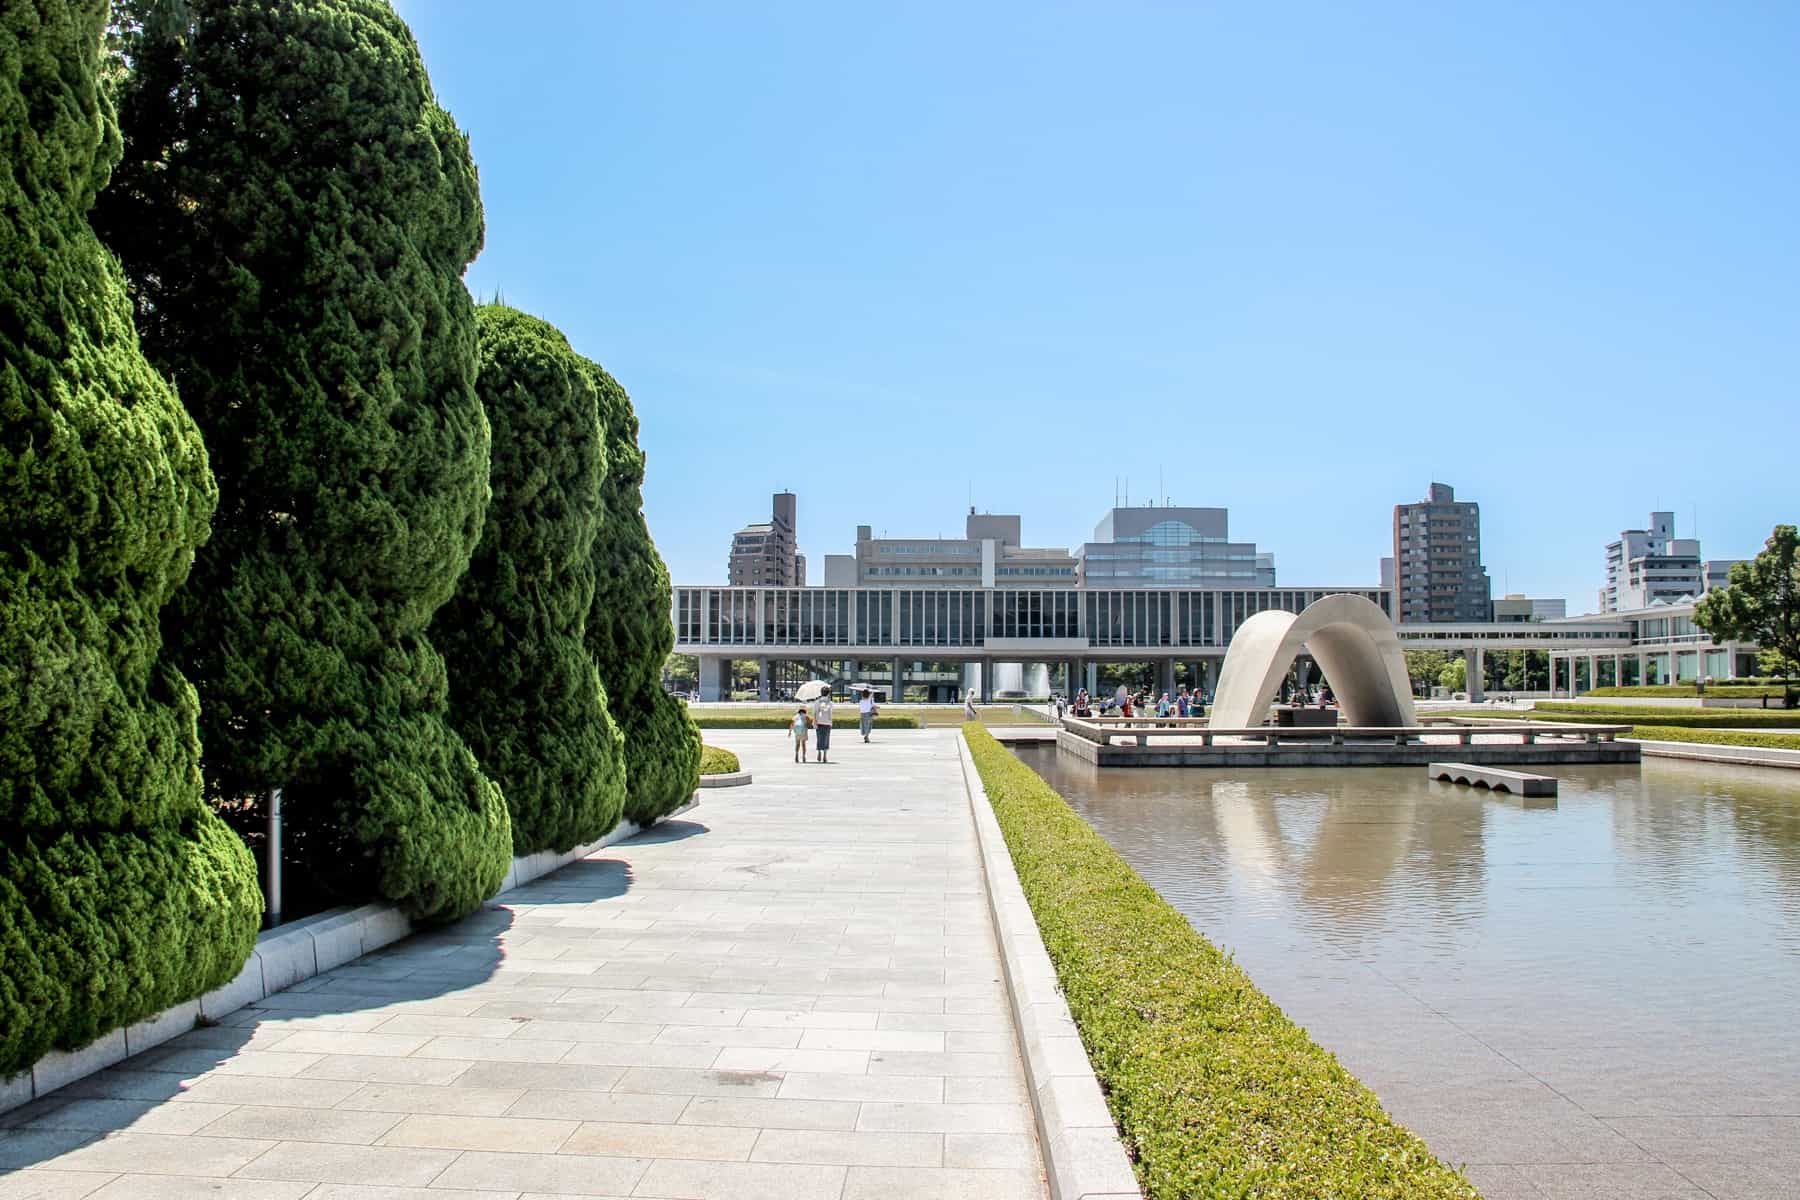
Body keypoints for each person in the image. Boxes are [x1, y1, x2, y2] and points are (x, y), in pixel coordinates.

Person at [813, 690, 834, 762]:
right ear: (828, 693)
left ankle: (819, 753)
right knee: (826, 739)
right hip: (827, 722)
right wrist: (831, 722)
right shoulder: (830, 702)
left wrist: (814, 722)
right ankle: (825, 755)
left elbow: (815, 712)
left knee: (819, 738)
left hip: (819, 721)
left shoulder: (817, 701)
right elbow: (830, 713)